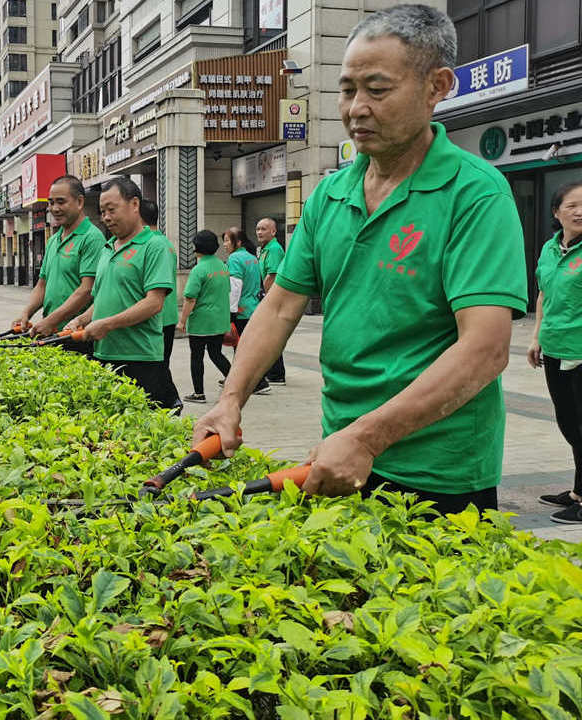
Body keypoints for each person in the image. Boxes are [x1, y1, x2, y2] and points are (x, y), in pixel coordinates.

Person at [193, 4, 527, 515]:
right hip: (338, 452)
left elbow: (485, 349)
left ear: (437, 86)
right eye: (348, 89)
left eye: (378, 89)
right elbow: (281, 305)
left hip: (437, 470)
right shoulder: (330, 195)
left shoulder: (476, 194)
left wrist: (369, 438)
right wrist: (231, 398)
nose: (356, 108)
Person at [67, 177, 178, 409]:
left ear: (134, 204)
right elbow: (100, 300)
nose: (106, 217)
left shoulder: (155, 245)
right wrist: (81, 319)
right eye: (102, 211)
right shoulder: (108, 248)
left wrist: (107, 325)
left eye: (111, 209)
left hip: (140, 359)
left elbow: (154, 303)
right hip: (104, 355)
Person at [528, 180, 582, 524]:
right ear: (556, 212)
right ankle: (578, 491)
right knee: (570, 424)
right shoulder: (550, 249)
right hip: (555, 348)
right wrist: (535, 338)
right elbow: (544, 295)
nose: (580, 212)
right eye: (572, 205)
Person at [15, 175, 105, 355]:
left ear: (80, 202)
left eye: (61, 202)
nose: (54, 208)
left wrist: (52, 320)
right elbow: (42, 284)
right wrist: (26, 313)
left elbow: (87, 289)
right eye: (51, 202)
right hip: (50, 331)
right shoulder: (54, 240)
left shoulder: (92, 237)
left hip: (76, 334)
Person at [177, 230, 232, 403]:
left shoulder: (198, 269)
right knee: (216, 354)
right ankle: (234, 382)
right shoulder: (223, 267)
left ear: (196, 248)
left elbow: (190, 298)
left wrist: (182, 321)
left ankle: (199, 393)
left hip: (202, 322)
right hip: (220, 319)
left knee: (197, 356)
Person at [141, 198, 183, 413]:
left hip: (162, 316)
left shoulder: (157, 244)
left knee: (158, 364)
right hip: (163, 316)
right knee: (159, 364)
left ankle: (171, 401)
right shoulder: (159, 242)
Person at [223, 228, 270, 395]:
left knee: (241, 348)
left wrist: (231, 312)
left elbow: (235, 286)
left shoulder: (234, 258)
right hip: (253, 307)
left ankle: (258, 383)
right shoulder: (252, 258)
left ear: (239, 242)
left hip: (241, 310)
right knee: (247, 346)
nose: (224, 244)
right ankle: (242, 379)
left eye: (228, 240)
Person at [256, 217, 287, 385]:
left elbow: (272, 275)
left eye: (264, 229)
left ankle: (276, 374)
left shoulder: (274, 249)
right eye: (258, 229)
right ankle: (273, 371)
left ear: (273, 231)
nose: (259, 232)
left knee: (271, 336)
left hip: (271, 297)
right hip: (267, 296)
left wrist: (266, 300)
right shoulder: (266, 249)